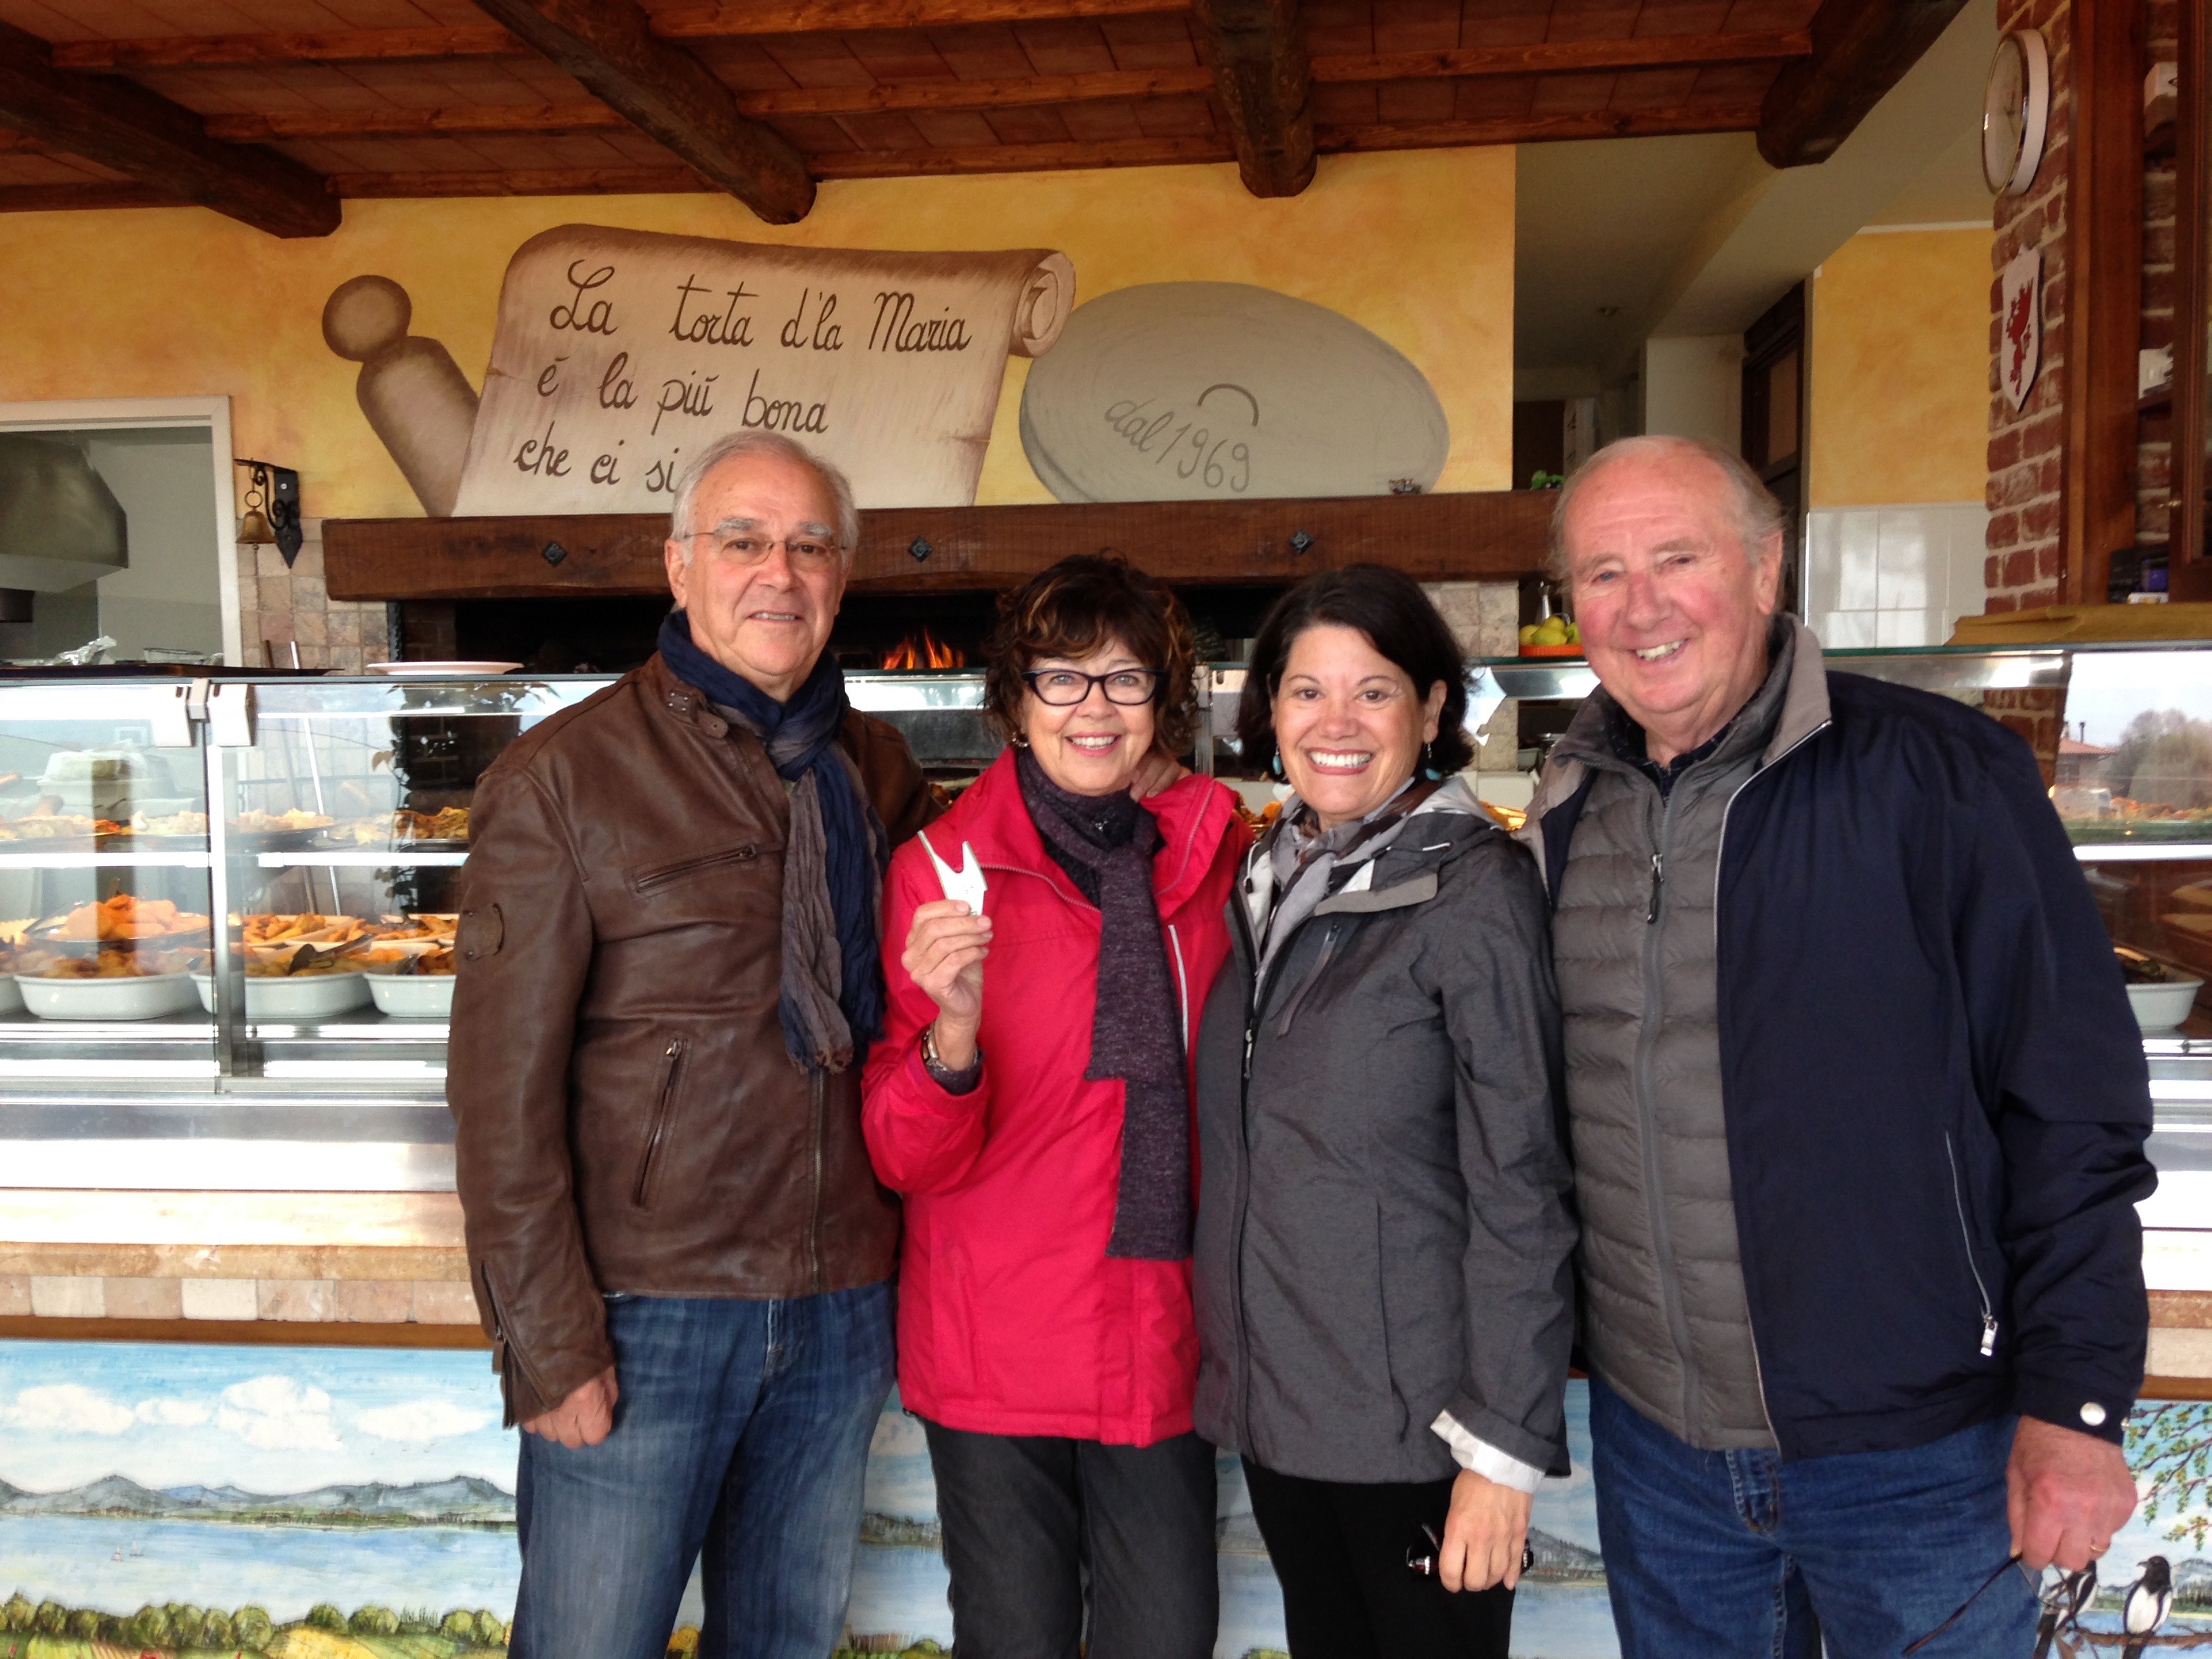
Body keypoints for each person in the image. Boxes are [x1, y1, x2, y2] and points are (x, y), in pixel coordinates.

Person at [1525, 434, 2157, 1658]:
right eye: (1602, 573)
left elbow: (2072, 1102)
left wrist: (2077, 1403)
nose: (1641, 606)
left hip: (1917, 1451)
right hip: (1660, 1452)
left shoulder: (1941, 774)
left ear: (1766, 569)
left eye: (1677, 558)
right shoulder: (1571, 801)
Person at [447, 430, 935, 1659]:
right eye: (743, 541)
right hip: (642, 1314)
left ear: (841, 578)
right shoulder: (564, 778)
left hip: (840, 1307)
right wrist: (548, 1345)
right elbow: (499, 1101)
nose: (780, 572)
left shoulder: (875, 768)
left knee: (785, 1642)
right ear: (679, 566)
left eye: (810, 547)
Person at [861, 554, 1248, 1659]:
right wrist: (952, 1034)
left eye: (1126, 680)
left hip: (1161, 1332)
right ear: (1015, 702)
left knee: (1167, 1638)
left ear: (1163, 704)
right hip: (994, 1341)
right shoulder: (939, 872)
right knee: (1015, 1640)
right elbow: (901, 1156)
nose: (1094, 708)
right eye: (1062, 678)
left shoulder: (1216, 857)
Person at [1190, 565, 1577, 1659]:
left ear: (1433, 707)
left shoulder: (1475, 892)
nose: (1338, 723)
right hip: (1286, 1413)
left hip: (1423, 1437)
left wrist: (1499, 1453)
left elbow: (1524, 1184)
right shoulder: (1269, 872)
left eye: (1374, 691)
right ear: (1270, 711)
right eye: (1307, 691)